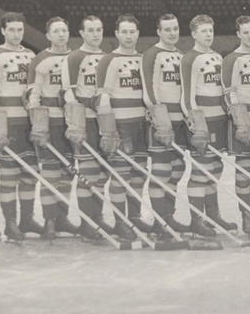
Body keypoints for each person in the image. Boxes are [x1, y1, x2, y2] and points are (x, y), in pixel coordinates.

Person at [94, 14, 155, 242]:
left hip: (142, 124)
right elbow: (103, 96)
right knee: (121, 177)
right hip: (121, 125)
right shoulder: (109, 60)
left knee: (139, 175)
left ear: (138, 34)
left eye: (133, 32)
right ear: (117, 34)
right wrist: (109, 129)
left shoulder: (142, 59)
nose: (129, 36)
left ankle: (135, 218)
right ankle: (120, 222)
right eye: (124, 32)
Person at [0, 12, 38, 241]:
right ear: (3, 31)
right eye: (12, 30)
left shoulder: (30, 55)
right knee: (9, 177)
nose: (17, 34)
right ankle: (10, 223)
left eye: (20, 30)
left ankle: (26, 220)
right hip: (8, 124)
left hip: (29, 124)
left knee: (30, 175)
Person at [181, 14, 236, 235]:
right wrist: (196, 124)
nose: (208, 35)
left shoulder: (216, 56)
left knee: (216, 168)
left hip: (220, 120)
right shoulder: (189, 58)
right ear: (194, 34)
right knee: (200, 170)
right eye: (203, 31)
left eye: (211, 30)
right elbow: (187, 96)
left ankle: (212, 214)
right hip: (203, 122)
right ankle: (196, 219)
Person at [61, 15, 113, 241]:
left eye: (99, 29)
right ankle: (86, 223)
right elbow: (68, 91)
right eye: (90, 30)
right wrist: (76, 120)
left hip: (105, 120)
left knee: (103, 173)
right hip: (86, 121)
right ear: (81, 33)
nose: (96, 34)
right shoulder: (74, 57)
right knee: (87, 173)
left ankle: (97, 216)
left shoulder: (106, 58)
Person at [26, 16, 78, 239]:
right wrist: (38, 123)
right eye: (56, 31)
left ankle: (62, 218)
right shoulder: (41, 59)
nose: (61, 34)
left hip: (72, 124)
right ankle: (49, 219)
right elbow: (33, 94)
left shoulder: (75, 57)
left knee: (68, 174)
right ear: (48, 35)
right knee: (50, 174)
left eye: (64, 30)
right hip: (50, 123)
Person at [140, 13, 190, 237]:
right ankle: (160, 222)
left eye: (175, 28)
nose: (172, 33)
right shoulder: (152, 54)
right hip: (161, 121)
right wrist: (159, 118)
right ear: (159, 32)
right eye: (167, 29)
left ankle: (169, 217)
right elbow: (149, 89)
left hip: (180, 121)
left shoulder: (180, 55)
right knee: (162, 171)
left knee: (178, 169)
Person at [221, 16, 250, 233]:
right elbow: (229, 92)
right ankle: (246, 214)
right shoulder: (231, 59)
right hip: (244, 121)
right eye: (245, 32)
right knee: (245, 168)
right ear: (238, 34)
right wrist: (241, 121)